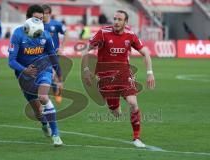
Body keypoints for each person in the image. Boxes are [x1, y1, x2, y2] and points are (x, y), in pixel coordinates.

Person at [83, 10, 155, 148]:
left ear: (125, 22)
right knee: (116, 113)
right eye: (115, 19)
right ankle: (115, 104)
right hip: (105, 76)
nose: (116, 22)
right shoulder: (103, 33)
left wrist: (150, 72)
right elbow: (86, 49)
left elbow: (145, 52)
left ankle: (137, 138)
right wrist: (86, 70)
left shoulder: (130, 35)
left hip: (123, 74)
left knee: (133, 103)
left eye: (119, 19)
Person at [8, 4, 63, 146]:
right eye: (35, 18)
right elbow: (11, 61)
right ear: (27, 18)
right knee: (38, 112)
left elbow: (52, 55)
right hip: (24, 76)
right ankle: (44, 123)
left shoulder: (45, 34)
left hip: (44, 70)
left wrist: (60, 77)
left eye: (41, 19)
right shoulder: (18, 34)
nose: (39, 22)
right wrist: (24, 70)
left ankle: (56, 135)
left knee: (43, 97)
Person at [42, 4, 67, 104]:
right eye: (43, 13)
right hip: (43, 54)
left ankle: (58, 92)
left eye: (47, 13)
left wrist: (62, 47)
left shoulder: (56, 24)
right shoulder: (38, 25)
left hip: (54, 53)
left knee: (58, 76)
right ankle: (54, 92)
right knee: (50, 74)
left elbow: (66, 32)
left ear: (50, 14)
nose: (45, 15)